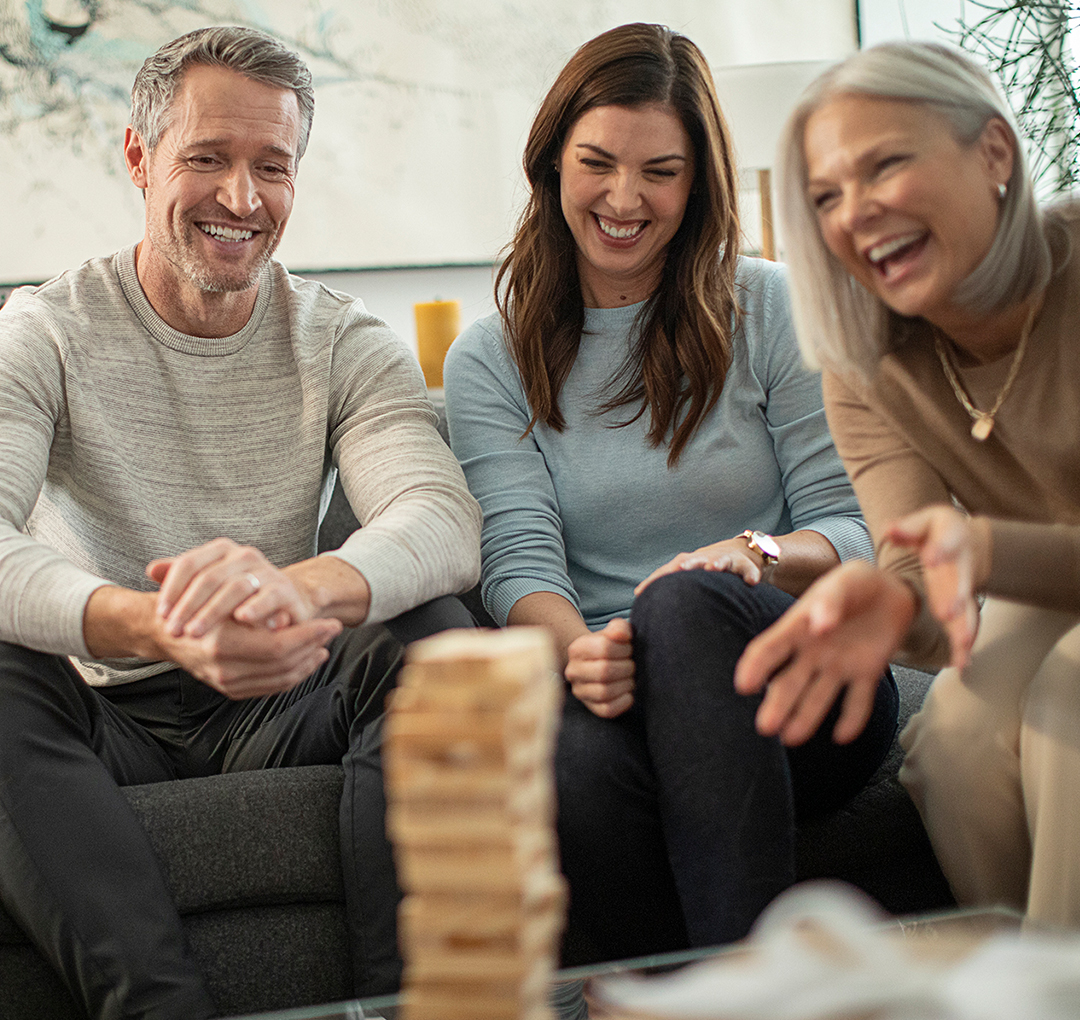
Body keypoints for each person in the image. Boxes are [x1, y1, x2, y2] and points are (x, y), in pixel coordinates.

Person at [0, 25, 481, 1020]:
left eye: (272, 166)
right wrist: (154, 624)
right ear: (138, 158)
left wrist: (293, 589)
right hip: (105, 715)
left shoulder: (345, 341)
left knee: (437, 636)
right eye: (207, 159)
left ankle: (410, 1009)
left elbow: (440, 519)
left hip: (282, 696)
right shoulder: (43, 330)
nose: (242, 199)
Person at [443, 22, 898, 964]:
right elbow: (519, 558)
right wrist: (582, 657)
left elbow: (853, 525)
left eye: (661, 170)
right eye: (596, 163)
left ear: (698, 184)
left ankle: (746, 987)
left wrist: (757, 557)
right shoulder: (489, 359)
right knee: (571, 762)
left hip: (798, 675)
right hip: (611, 686)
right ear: (551, 166)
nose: (624, 198)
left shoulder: (771, 306)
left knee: (685, 603)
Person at [736, 40, 1080, 929]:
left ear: (994, 153)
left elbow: (979, 554)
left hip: (1031, 564)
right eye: (825, 197)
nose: (855, 213)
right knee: (952, 746)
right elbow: (924, 583)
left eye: (885, 164)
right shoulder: (864, 363)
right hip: (1038, 573)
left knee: (1067, 707)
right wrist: (893, 605)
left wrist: (987, 551)